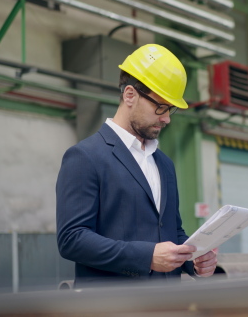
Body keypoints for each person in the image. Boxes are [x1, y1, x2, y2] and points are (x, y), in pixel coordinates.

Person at [56, 44, 217, 288]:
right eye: (160, 107)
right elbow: (72, 239)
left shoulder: (164, 164)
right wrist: (147, 257)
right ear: (130, 95)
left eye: (170, 109)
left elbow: (171, 231)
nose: (166, 118)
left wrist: (193, 259)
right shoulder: (85, 157)